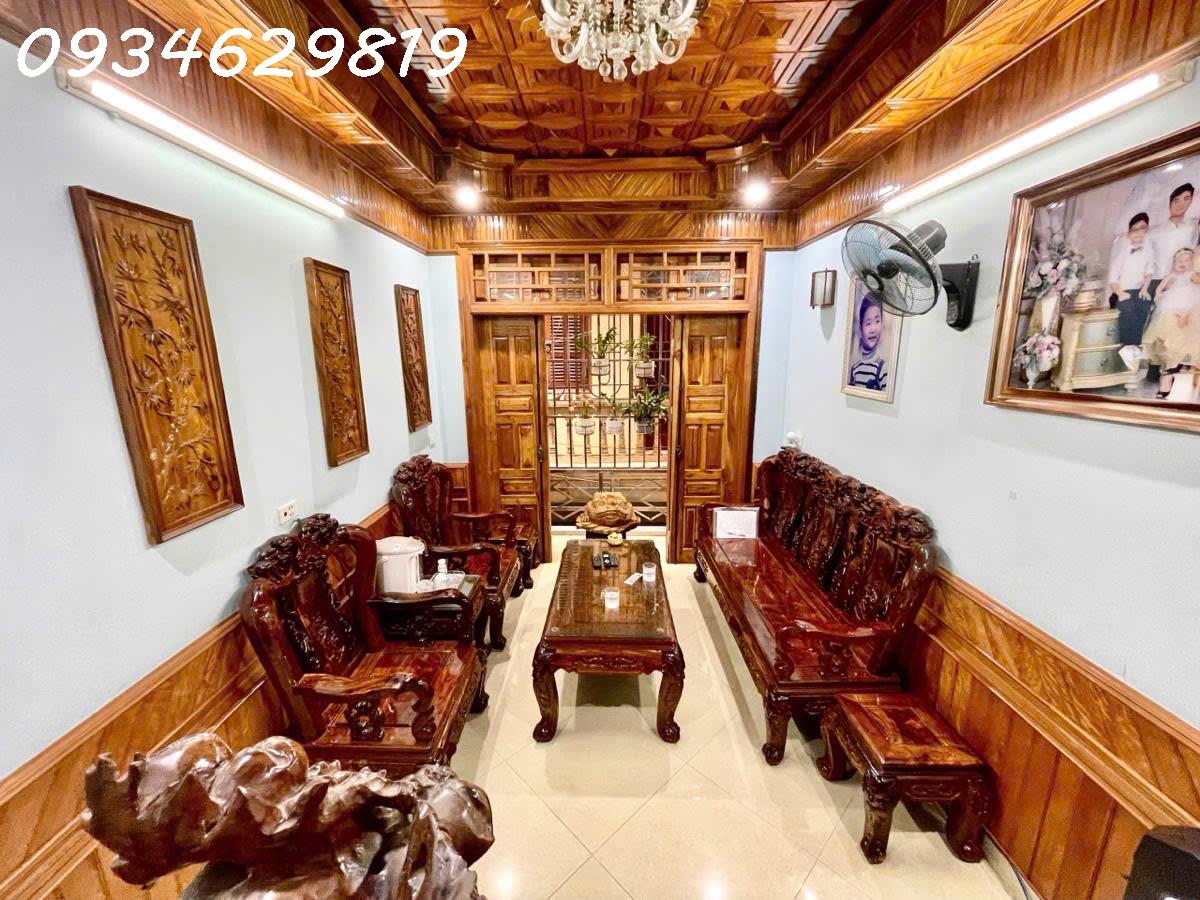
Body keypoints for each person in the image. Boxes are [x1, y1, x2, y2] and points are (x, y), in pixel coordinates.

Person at [1141, 246, 1200, 398]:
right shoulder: (1172, 276)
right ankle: (1166, 378)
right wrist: (1159, 297)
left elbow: (1195, 296)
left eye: (1186, 261)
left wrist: (1185, 314)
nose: (1183, 263)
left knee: (1186, 344)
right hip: (1169, 313)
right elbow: (1159, 290)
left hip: (1189, 314)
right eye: (1179, 261)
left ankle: (1173, 372)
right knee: (1167, 344)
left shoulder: (1192, 275)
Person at [1107, 212, 1157, 368]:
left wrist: (1145, 289)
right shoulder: (1122, 253)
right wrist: (1120, 293)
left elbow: (1149, 272)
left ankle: (1134, 347)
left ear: (1147, 230)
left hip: (1138, 290)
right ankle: (1128, 346)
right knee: (1128, 310)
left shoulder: (1148, 251)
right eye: (1135, 229)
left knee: (1144, 306)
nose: (1139, 233)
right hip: (1121, 291)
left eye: (1143, 229)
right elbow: (1113, 278)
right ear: (1128, 233)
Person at [1149, 183, 1199, 282]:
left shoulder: (1193, 226)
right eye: (1176, 200)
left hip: (1185, 279)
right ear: (1170, 204)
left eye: (1186, 199)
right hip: (1158, 279)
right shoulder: (1153, 232)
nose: (1180, 204)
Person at [847, 294, 888, 392]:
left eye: (877, 321)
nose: (873, 329)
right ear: (860, 330)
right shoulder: (854, 369)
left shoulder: (884, 369)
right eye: (868, 323)